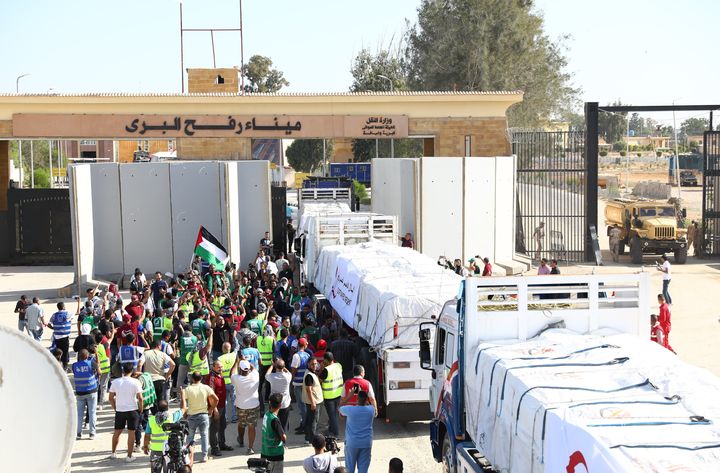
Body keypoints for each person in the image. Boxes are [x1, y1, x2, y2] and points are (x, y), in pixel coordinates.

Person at [109, 362, 144, 462]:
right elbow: (140, 398)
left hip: (120, 410)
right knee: (131, 433)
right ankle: (129, 456)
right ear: (132, 370)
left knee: (117, 432)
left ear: (123, 370)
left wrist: (115, 407)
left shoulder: (116, 382)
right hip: (132, 410)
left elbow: (111, 398)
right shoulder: (135, 382)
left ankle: (113, 453)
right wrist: (140, 409)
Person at [181, 371, 218, 463]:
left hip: (192, 416)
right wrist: (211, 409)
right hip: (203, 415)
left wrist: (185, 412)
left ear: (192, 379)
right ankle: (204, 456)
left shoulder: (188, 389)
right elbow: (216, 399)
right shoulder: (206, 388)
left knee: (190, 437)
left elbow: (183, 404)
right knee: (204, 435)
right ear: (201, 378)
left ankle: (188, 457)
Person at [339, 390, 376, 473]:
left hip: (352, 443)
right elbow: (370, 405)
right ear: (366, 400)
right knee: (363, 470)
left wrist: (349, 397)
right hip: (366, 443)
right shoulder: (371, 410)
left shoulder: (350, 410)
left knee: (349, 469)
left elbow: (340, 406)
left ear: (357, 399)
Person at [143, 399, 183, 473]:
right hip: (168, 449)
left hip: (155, 450)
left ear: (157, 408)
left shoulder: (151, 420)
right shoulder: (172, 417)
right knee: (167, 470)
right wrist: (182, 395)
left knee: (155, 471)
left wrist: (145, 446)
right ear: (168, 408)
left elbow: (147, 435)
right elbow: (183, 409)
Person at [231, 359, 261, 455]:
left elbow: (231, 373)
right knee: (251, 427)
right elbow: (254, 368)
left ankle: (240, 439)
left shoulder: (236, 378)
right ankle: (250, 448)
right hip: (254, 405)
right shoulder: (255, 376)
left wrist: (236, 362)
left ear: (240, 369)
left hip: (241, 406)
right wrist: (247, 361)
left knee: (241, 424)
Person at [205, 360, 233, 456]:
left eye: (221, 367)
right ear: (213, 367)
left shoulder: (220, 375)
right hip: (216, 407)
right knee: (214, 428)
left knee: (222, 425)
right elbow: (210, 395)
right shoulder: (212, 378)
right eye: (218, 367)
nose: (221, 368)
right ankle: (214, 448)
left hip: (222, 405)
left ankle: (222, 444)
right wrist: (214, 409)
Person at [73, 348, 100, 440]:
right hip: (91, 391)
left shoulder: (74, 365)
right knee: (92, 412)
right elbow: (98, 369)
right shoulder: (90, 363)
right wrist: (96, 354)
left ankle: (78, 433)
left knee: (79, 414)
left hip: (80, 392)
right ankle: (92, 433)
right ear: (87, 356)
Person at [143, 339, 175, 407]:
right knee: (160, 398)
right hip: (160, 379)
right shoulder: (163, 354)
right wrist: (167, 375)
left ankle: (154, 414)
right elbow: (173, 364)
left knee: (151, 399)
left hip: (149, 380)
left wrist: (141, 375)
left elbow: (140, 364)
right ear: (158, 346)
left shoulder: (146, 353)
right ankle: (160, 414)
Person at [261, 393, 287, 473]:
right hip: (275, 454)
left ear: (269, 403)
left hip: (265, 452)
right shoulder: (275, 420)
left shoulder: (266, 415)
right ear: (280, 405)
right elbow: (283, 437)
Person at [319, 352, 343, 438]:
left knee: (332, 416)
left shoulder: (326, 370)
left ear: (326, 360)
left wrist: (322, 368)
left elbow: (320, 380)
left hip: (329, 396)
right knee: (334, 414)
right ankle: (331, 430)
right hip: (338, 394)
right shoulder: (338, 365)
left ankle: (335, 434)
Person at [291, 338, 312, 432]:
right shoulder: (307, 355)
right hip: (305, 383)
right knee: (304, 405)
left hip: (298, 383)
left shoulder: (296, 356)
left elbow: (294, 370)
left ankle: (305, 425)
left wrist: (292, 379)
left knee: (301, 405)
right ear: (304, 345)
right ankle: (304, 423)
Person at [265, 358, 292, 430]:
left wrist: (272, 365)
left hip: (274, 404)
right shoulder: (288, 376)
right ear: (284, 367)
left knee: (273, 424)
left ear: (276, 367)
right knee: (284, 425)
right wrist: (282, 366)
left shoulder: (272, 376)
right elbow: (288, 372)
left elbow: (267, 374)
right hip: (285, 404)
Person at [303, 357, 324, 443]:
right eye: (312, 364)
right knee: (313, 421)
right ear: (308, 364)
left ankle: (308, 437)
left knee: (310, 419)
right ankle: (312, 439)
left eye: (315, 364)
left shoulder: (312, 373)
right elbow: (309, 390)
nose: (314, 365)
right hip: (314, 402)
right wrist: (313, 403)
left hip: (313, 401)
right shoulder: (309, 375)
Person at [217, 342, 238, 424]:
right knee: (234, 400)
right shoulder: (234, 355)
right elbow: (237, 346)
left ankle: (224, 418)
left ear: (223, 349)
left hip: (223, 383)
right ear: (230, 348)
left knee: (224, 401)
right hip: (233, 381)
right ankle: (234, 417)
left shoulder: (219, 358)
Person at [49, 301, 73, 370]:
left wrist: (54, 328)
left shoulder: (54, 315)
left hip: (57, 336)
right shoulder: (67, 313)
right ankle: (65, 366)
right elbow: (75, 314)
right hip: (65, 337)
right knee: (65, 352)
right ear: (63, 307)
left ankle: (58, 365)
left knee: (58, 352)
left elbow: (49, 324)